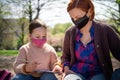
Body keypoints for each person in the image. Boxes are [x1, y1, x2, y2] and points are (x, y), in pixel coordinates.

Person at [61, 0, 120, 80]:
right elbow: (65, 57)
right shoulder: (70, 32)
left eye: (78, 17)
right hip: (75, 73)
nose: (75, 20)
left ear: (89, 11)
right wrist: (66, 69)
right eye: (72, 17)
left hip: (98, 73)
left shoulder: (105, 30)